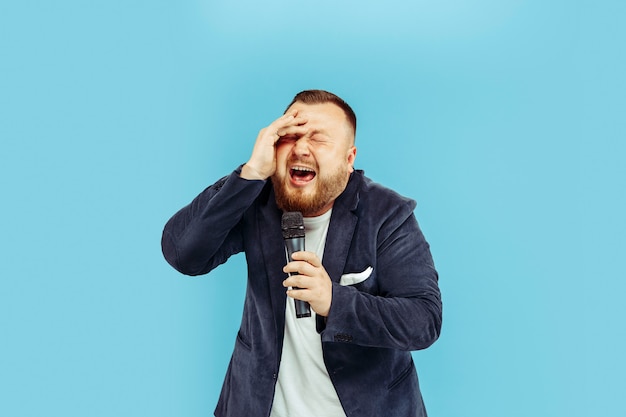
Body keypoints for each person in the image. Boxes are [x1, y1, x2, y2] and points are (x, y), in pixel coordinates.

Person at [161, 90, 442, 417]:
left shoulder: (387, 214)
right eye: (289, 136)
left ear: (349, 159)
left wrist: (334, 301)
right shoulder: (257, 197)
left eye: (319, 139)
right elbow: (183, 253)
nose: (301, 148)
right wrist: (251, 172)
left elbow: (424, 320)